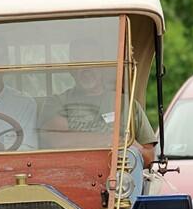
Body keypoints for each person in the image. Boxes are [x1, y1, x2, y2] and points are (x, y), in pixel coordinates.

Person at [40, 38, 158, 166]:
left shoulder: (128, 105)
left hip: (119, 180)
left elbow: (149, 157)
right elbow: (58, 141)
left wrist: (130, 145)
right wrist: (114, 140)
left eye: (93, 62)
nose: (87, 70)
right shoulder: (56, 102)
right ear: (71, 68)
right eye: (80, 63)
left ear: (104, 66)